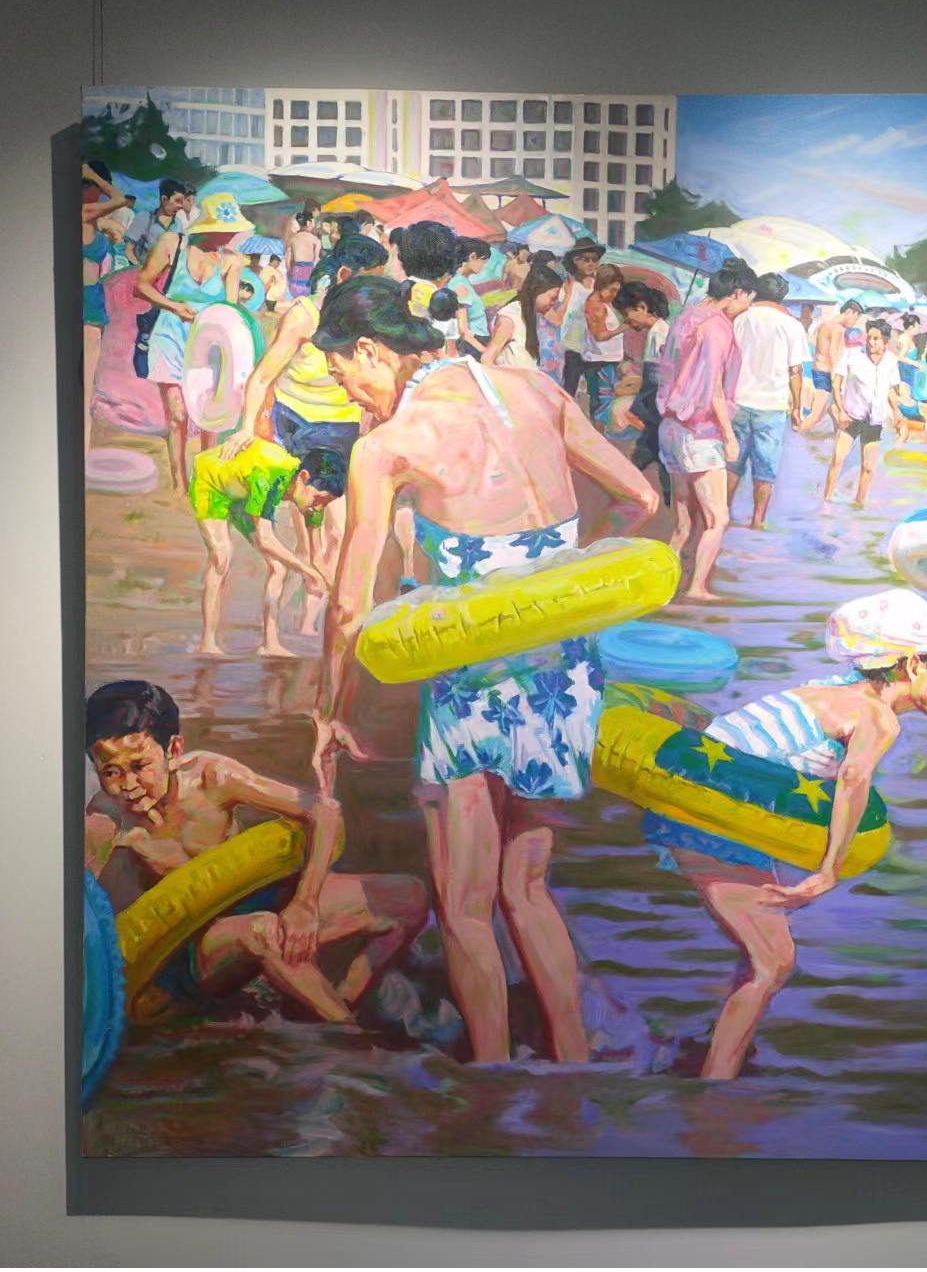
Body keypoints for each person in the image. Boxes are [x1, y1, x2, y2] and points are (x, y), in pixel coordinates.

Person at [309, 276, 659, 1063]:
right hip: (563, 672)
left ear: (368, 350)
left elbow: (347, 606)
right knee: (526, 889)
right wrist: (566, 581)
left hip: (472, 684)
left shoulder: (389, 445)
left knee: (464, 906)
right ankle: (572, 1069)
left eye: (341, 376)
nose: (349, 396)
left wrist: (332, 710)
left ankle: (492, 1081)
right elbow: (639, 498)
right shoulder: (536, 389)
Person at [641, 588, 927, 1079]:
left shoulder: (833, 689)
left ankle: (714, 1057)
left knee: (760, 953)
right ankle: (713, 1091)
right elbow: (853, 781)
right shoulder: (877, 718)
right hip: (713, 822)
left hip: (707, 808)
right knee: (773, 962)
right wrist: (829, 871)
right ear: (914, 665)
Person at [85, 680, 427, 1024]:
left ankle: (339, 1001)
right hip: (196, 946)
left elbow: (324, 812)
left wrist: (305, 904)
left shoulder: (211, 778)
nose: (127, 786)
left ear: (173, 751)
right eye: (110, 772)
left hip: (260, 902)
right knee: (262, 930)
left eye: (139, 766)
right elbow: (77, 893)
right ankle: (352, 1035)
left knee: (407, 898)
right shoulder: (107, 817)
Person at [219, 234, 389, 634]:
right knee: (307, 534)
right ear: (344, 274)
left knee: (337, 532)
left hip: (342, 429)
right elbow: (262, 376)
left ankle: (313, 625)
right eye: (369, 280)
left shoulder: (369, 318)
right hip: (294, 426)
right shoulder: (304, 315)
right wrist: (246, 427)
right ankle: (296, 617)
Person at [657, 257, 758, 601]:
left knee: (683, 523)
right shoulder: (716, 328)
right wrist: (729, 436)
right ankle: (697, 587)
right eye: (749, 299)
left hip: (671, 426)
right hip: (699, 431)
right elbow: (712, 387)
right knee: (718, 519)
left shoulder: (686, 316)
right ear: (738, 293)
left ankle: (663, 587)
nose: (748, 307)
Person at [136, 192, 251, 493]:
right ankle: (179, 483)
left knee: (209, 415)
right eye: (225, 230)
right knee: (178, 414)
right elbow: (141, 285)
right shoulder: (172, 244)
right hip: (171, 335)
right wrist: (174, 306)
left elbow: (229, 308)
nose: (230, 236)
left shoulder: (230, 261)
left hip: (209, 341)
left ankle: (204, 479)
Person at [189, 441, 346, 656]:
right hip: (212, 483)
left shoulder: (314, 504)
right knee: (221, 556)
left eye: (325, 503)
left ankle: (270, 644)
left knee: (279, 567)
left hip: (242, 490)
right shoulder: (271, 475)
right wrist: (307, 572)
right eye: (318, 499)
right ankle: (207, 642)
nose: (318, 507)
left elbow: (317, 557)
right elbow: (265, 539)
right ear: (303, 478)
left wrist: (335, 592)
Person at [728, 271, 808, 529]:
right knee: (766, 469)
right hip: (772, 405)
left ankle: (721, 515)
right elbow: (795, 371)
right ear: (782, 296)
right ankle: (757, 521)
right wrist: (797, 408)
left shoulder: (740, 318)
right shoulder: (792, 325)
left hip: (738, 400)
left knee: (732, 463)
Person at [822, 317, 904, 507]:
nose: (871, 342)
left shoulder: (891, 361)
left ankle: (858, 504)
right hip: (851, 415)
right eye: (869, 337)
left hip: (874, 419)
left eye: (876, 338)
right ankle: (826, 501)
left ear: (885, 340)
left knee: (868, 467)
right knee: (837, 460)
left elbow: (890, 389)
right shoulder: (852, 355)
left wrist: (897, 412)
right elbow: (836, 385)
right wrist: (840, 411)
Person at [81, 160, 130, 456]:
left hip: (92, 301)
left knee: (85, 388)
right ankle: (82, 455)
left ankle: (82, 457)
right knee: (85, 390)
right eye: (96, 187)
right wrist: (93, 175)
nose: (101, 193)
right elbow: (120, 199)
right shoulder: (84, 212)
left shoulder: (91, 217)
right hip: (88, 303)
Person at [614, 280, 672, 504]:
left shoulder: (662, 335)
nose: (626, 320)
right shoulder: (656, 333)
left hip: (657, 411)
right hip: (653, 411)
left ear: (641, 307)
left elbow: (659, 380)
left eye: (626, 313)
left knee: (654, 455)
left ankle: (632, 495)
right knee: (652, 454)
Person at [548, 236, 605, 399]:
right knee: (569, 389)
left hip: (594, 347)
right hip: (571, 345)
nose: (591, 263)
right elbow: (558, 313)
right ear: (576, 261)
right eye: (586, 259)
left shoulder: (599, 286)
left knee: (596, 393)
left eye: (594, 259)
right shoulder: (568, 285)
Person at [481, 261, 563, 369]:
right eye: (552, 298)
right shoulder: (509, 318)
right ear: (535, 291)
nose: (553, 304)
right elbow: (487, 359)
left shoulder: (529, 314)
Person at [581, 263, 628, 430]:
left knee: (604, 399)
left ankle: (599, 430)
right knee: (603, 400)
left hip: (606, 359)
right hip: (600, 360)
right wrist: (622, 328)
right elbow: (599, 335)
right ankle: (598, 432)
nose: (614, 295)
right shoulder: (596, 305)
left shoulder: (604, 302)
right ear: (601, 285)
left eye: (617, 291)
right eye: (612, 290)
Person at [809, 298, 864, 427]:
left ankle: (838, 436)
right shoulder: (838, 329)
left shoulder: (824, 325)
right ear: (849, 312)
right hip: (828, 375)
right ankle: (798, 433)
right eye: (855, 318)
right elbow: (834, 355)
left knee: (835, 411)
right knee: (816, 416)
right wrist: (839, 381)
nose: (855, 322)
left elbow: (819, 349)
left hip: (818, 372)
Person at [124, 178, 187, 269]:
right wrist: (141, 270)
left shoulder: (178, 224)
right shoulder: (145, 218)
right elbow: (129, 250)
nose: (180, 206)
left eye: (181, 202)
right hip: (139, 270)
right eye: (177, 201)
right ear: (164, 199)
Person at [447, 237, 492, 359]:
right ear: (473, 256)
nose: (483, 266)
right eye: (483, 261)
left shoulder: (460, 281)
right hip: (474, 343)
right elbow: (463, 329)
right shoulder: (460, 285)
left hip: (475, 341)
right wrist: (486, 352)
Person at [286, 210, 321, 299]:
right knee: (307, 296)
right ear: (308, 223)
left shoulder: (292, 239)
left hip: (296, 269)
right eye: (313, 222)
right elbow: (317, 259)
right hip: (309, 270)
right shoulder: (315, 239)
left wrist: (289, 271)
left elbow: (288, 259)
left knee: (295, 295)